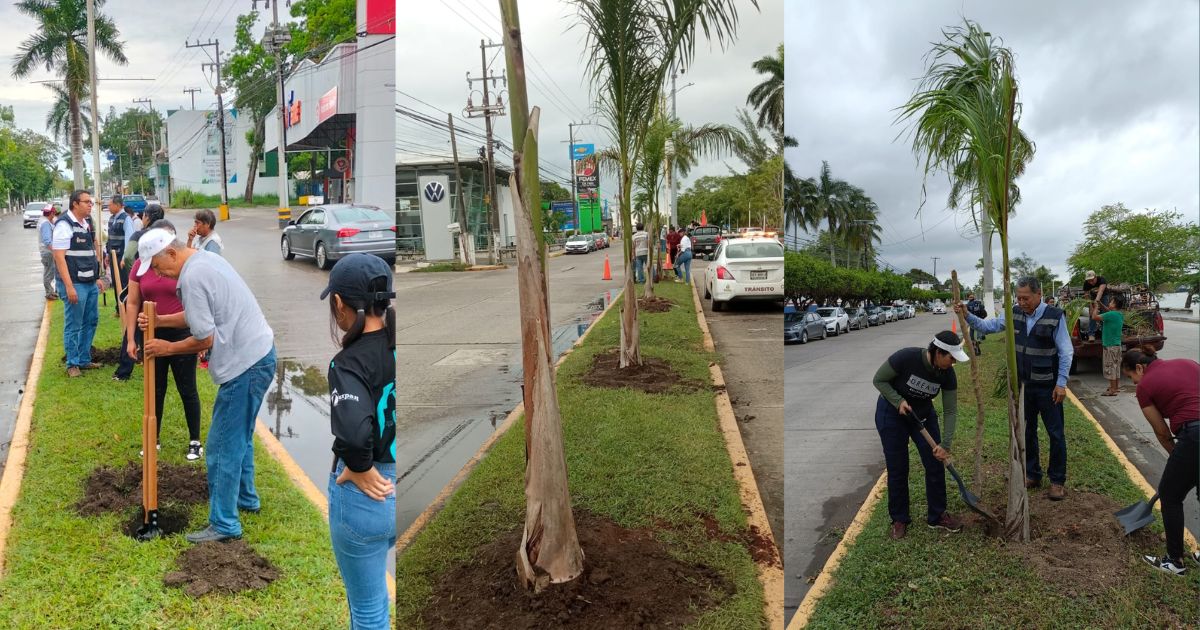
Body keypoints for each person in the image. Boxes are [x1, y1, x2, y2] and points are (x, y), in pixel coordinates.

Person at [137, 229, 276, 543]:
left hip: (245, 364)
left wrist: (166, 348)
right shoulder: (205, 260)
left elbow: (204, 337)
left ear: (171, 253)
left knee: (221, 446)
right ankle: (246, 499)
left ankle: (225, 524)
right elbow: (199, 316)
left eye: (156, 265)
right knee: (240, 436)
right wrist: (159, 319)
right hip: (260, 353)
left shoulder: (192, 278)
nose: (157, 273)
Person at [320, 254, 397, 627]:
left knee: (369, 611)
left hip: (367, 496)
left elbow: (353, 432)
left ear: (339, 304)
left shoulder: (347, 363)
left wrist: (359, 467)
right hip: (399, 486)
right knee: (377, 602)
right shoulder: (398, 345)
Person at [957, 276, 1074, 500]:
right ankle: (1032, 474)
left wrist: (1061, 383)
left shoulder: (1054, 316)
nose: (1022, 302)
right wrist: (967, 315)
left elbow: (1066, 351)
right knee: (1027, 431)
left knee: (1055, 433)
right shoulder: (1014, 313)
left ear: (1038, 295)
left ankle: (1057, 480)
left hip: (1048, 387)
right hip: (1023, 387)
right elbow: (988, 326)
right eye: (1019, 298)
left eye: (1026, 298)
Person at [872, 331, 968, 539]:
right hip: (892, 415)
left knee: (934, 463)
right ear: (938, 352)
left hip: (922, 415)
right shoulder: (906, 358)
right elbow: (879, 380)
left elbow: (951, 411)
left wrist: (946, 444)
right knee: (898, 467)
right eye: (950, 358)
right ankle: (899, 518)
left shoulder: (947, 374)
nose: (953, 363)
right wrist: (898, 401)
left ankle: (937, 515)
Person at [1121, 346, 1200, 575]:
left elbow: (1162, 432)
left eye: (1131, 378)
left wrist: (1177, 454)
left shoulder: (1145, 386)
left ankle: (1174, 561)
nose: (1135, 383)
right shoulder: (1187, 362)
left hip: (1194, 435)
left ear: (1139, 368)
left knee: (1170, 495)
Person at [53, 190, 106, 378]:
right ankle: (72, 364)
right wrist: (68, 286)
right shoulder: (64, 225)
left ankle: (84, 359)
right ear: (75, 204)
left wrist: (97, 277)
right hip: (74, 283)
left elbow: (91, 253)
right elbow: (59, 258)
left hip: (89, 282)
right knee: (74, 324)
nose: (91, 205)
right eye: (87, 202)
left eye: (91, 202)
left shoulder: (86, 224)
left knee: (91, 321)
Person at [114, 204, 169, 382]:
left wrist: (135, 277)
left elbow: (129, 256)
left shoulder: (140, 235)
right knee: (163, 325)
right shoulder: (167, 235)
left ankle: (124, 370)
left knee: (135, 326)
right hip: (165, 289)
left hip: (144, 288)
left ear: (146, 217)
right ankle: (159, 365)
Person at [106, 194, 135, 317]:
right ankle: (119, 309)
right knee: (115, 282)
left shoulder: (126, 219)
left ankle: (126, 309)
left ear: (118, 205)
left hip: (121, 257)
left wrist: (124, 258)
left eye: (110, 205)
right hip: (112, 256)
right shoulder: (112, 219)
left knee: (123, 283)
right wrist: (107, 254)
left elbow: (129, 239)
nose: (108, 207)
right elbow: (110, 239)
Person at [1091, 297, 1125, 396]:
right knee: (1116, 367)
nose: (1109, 303)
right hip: (1117, 346)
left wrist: (1096, 307)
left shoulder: (1110, 315)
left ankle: (1112, 390)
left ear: (1114, 305)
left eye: (1111, 302)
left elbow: (1094, 317)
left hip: (1110, 346)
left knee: (1110, 367)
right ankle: (1115, 387)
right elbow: (1108, 311)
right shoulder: (1118, 314)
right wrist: (1101, 303)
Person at [38, 205, 60, 300]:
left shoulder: (42, 221)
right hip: (48, 252)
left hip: (46, 251)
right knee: (49, 272)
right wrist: (55, 252)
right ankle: (49, 293)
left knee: (50, 271)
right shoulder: (46, 223)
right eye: (53, 214)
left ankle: (50, 291)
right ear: (51, 213)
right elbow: (47, 240)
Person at [1082, 270, 1108, 340]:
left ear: (1095, 277)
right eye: (1089, 281)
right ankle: (1091, 334)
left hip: (1103, 296)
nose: (1091, 282)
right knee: (1092, 314)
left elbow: (1100, 291)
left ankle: (1104, 332)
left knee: (1104, 313)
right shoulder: (1086, 284)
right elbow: (1087, 296)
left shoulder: (1102, 279)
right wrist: (1090, 307)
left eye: (1092, 280)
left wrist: (1097, 302)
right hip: (1092, 297)